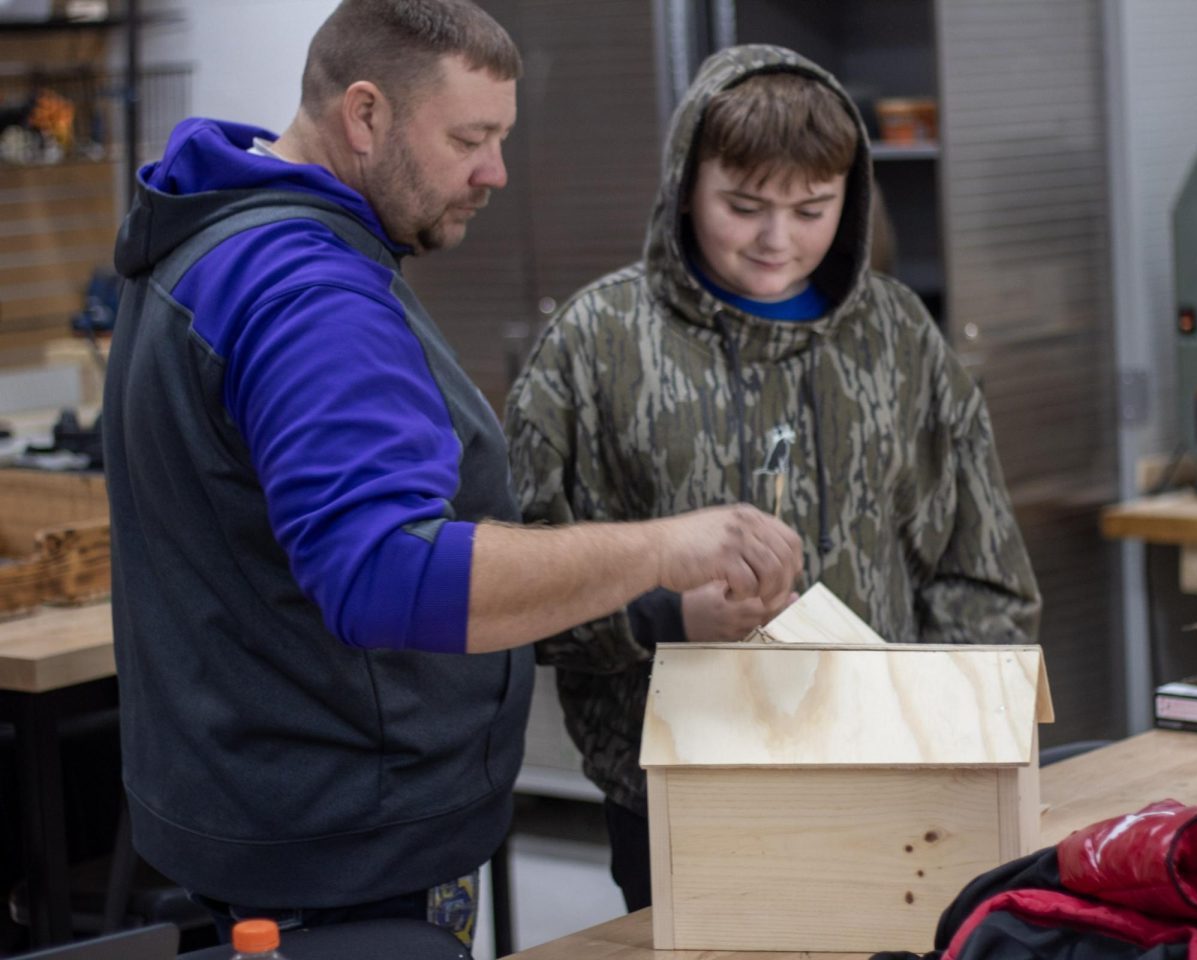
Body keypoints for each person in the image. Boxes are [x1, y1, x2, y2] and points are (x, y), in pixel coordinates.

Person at [101, 4, 803, 946]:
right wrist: (666, 548)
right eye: (470, 138)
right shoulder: (309, 297)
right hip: (338, 852)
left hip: (254, 812)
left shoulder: (212, 237)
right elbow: (392, 575)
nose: (494, 173)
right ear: (365, 116)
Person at [505, 44, 1042, 913]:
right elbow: (522, 586)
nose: (775, 241)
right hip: (674, 796)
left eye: (812, 209)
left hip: (889, 788)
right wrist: (668, 619)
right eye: (743, 205)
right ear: (686, 184)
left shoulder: (898, 337)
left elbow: (979, 573)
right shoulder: (597, 342)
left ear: (851, 201)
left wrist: (958, 752)